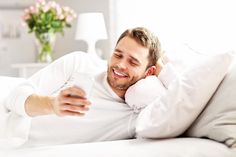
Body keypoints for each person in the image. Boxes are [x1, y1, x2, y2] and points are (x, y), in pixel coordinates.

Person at [4, 27, 164, 147]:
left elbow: (179, 97)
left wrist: (163, 70)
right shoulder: (80, 63)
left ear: (149, 72)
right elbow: (14, 96)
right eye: (118, 54)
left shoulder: (135, 114)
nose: (120, 65)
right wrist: (52, 105)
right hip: (7, 137)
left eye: (133, 62)